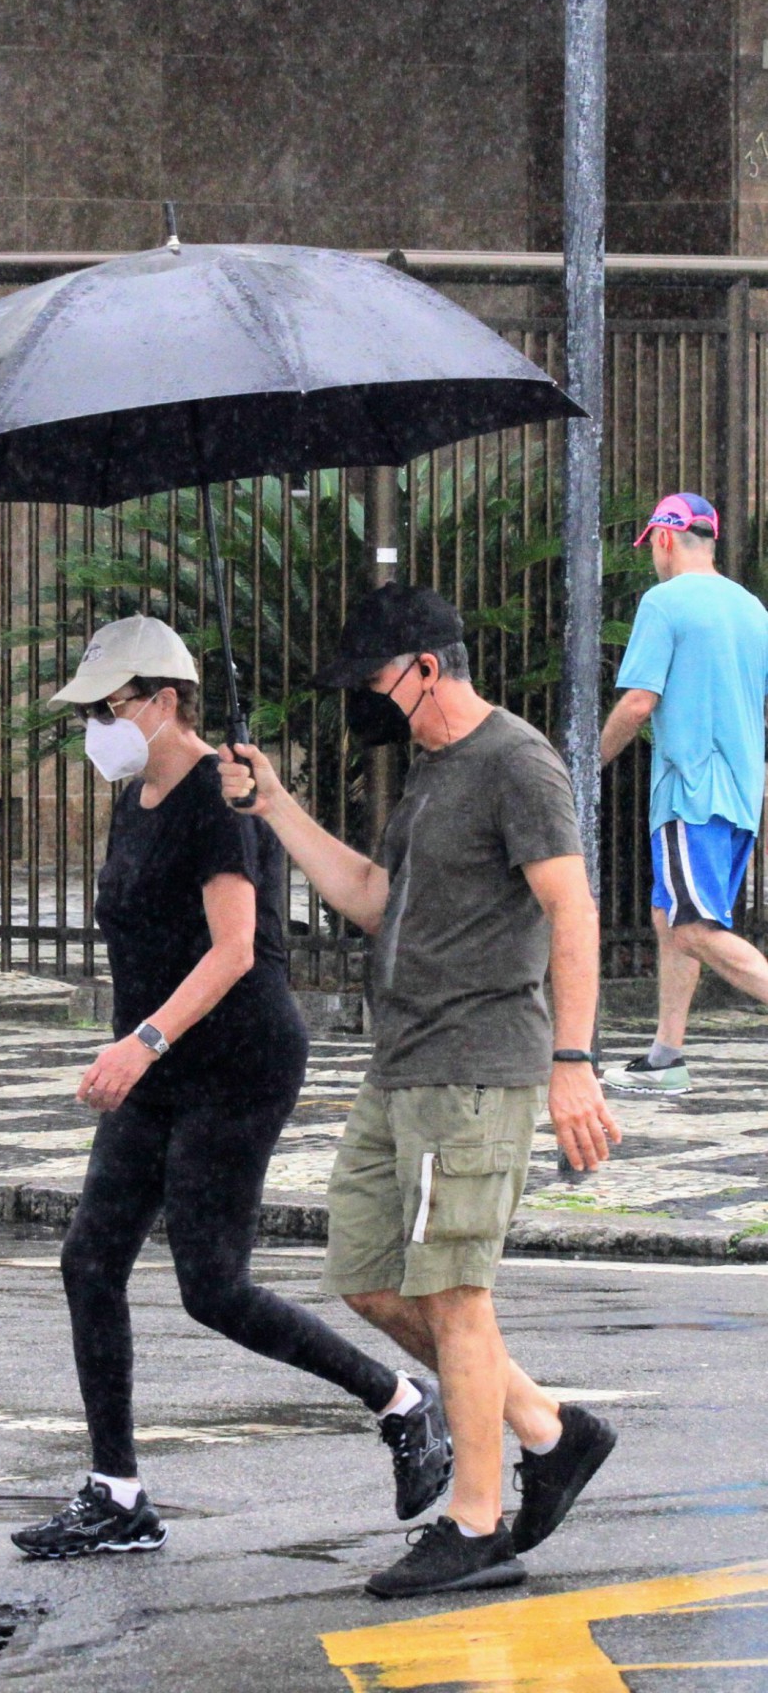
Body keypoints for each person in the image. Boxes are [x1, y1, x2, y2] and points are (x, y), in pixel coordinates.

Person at [11, 614, 452, 1563]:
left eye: (108, 706)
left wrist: (142, 1042)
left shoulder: (220, 796)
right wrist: (141, 1048)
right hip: (158, 1063)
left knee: (213, 1288)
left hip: (236, 1060)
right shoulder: (136, 796)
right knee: (91, 1262)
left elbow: (235, 949)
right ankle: (116, 1494)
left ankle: (403, 1400)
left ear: (164, 702)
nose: (95, 727)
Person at [218, 583, 621, 1600]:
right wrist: (274, 807)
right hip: (400, 1065)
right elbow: (372, 899)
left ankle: (475, 1527)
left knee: (453, 1295)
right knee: (365, 1273)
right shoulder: (434, 774)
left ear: (424, 669)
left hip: (473, 1068)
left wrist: (570, 1063)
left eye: (370, 680)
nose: (362, 699)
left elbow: (570, 910)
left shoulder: (515, 764)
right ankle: (546, 1431)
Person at [601, 492, 768, 1095]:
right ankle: (666, 1057)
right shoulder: (753, 610)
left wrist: (586, 760)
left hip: (690, 791)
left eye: (652, 547)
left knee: (693, 926)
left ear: (665, 539)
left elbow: (639, 700)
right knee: (670, 916)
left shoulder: (664, 603)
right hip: (741, 795)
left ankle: (668, 1057)